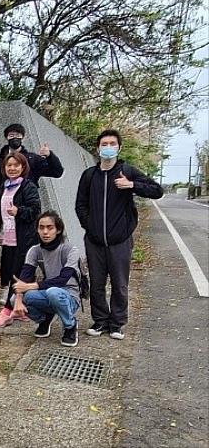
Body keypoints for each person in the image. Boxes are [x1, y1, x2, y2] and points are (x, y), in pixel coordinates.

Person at [76, 129, 163, 340]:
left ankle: (116, 324)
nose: (108, 147)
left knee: (120, 284)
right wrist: (90, 227)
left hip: (120, 241)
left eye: (112, 143)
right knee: (96, 284)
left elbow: (157, 191)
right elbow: (80, 204)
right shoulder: (89, 175)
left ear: (119, 147)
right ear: (98, 148)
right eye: (104, 143)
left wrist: (131, 185)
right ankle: (100, 321)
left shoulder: (127, 171)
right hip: (95, 241)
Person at [11, 211, 81, 347]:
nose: (45, 232)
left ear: (58, 229)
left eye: (50, 227)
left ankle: (70, 325)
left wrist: (30, 286)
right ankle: (44, 319)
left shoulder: (70, 249)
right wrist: (18, 300)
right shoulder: (35, 250)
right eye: (41, 228)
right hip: (48, 292)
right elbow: (24, 277)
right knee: (15, 299)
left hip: (69, 296)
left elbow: (63, 280)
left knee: (53, 292)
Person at [0, 151, 41, 328]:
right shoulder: (3, 187)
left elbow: (35, 210)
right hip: (8, 236)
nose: (12, 168)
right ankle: (20, 309)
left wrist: (19, 211)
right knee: (10, 270)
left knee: (19, 274)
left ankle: (6, 311)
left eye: (16, 165)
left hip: (24, 238)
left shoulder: (28, 186)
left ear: (23, 167)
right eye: (9, 165)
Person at [0, 123, 64, 191]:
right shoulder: (0, 162)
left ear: (22, 137)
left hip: (28, 201)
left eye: (18, 135)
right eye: (11, 136)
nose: (15, 138)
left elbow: (57, 172)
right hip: (5, 202)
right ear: (7, 138)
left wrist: (49, 155)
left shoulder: (33, 159)